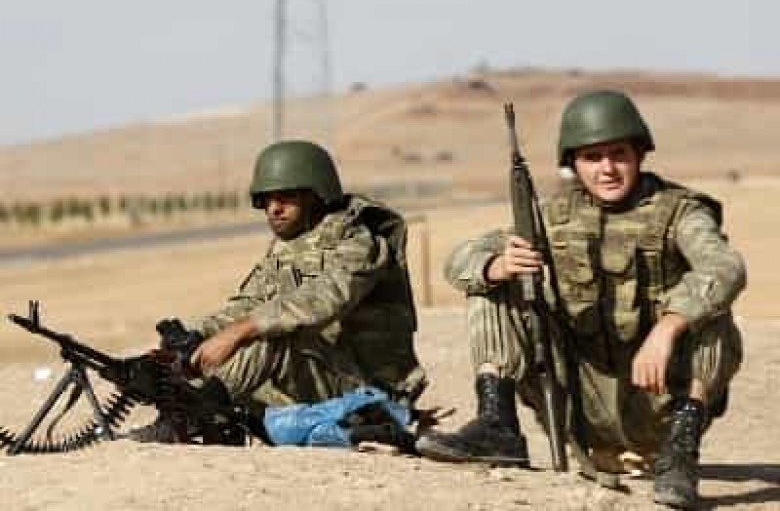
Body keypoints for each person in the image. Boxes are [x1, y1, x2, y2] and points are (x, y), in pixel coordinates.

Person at [416, 90, 745, 509]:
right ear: (573, 163)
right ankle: (497, 423)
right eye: (592, 157)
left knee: (711, 308)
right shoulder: (553, 217)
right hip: (580, 405)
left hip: (658, 401)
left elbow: (725, 267)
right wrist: (497, 264)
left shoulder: (680, 212)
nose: (607, 169)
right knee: (492, 284)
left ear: (639, 153)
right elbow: (459, 260)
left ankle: (680, 454)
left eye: (618, 154)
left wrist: (668, 327)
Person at [132, 140, 426, 440]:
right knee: (216, 353)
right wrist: (197, 338)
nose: (274, 209)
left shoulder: (359, 242)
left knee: (269, 332)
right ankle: (198, 416)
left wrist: (239, 332)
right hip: (320, 376)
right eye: (267, 199)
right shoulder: (288, 248)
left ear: (316, 196)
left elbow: (323, 299)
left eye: (286, 198)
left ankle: (191, 418)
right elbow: (248, 303)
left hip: (368, 388)